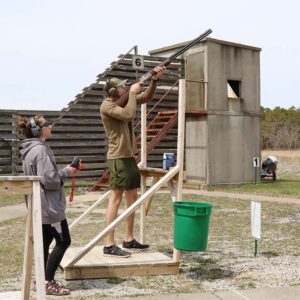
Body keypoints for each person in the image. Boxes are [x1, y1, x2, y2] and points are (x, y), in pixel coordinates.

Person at [100, 66, 166, 257]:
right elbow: (128, 114)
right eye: (122, 87)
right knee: (116, 199)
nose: (125, 88)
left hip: (128, 157)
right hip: (118, 157)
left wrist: (154, 80)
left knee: (131, 199)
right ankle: (108, 243)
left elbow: (146, 98)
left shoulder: (124, 100)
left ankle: (128, 239)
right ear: (114, 92)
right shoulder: (107, 105)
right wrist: (133, 93)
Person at [17, 115, 79, 296]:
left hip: (40, 206)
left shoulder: (30, 149)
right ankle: (47, 281)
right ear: (38, 130)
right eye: (47, 124)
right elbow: (50, 180)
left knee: (45, 242)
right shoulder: (41, 151)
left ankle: (42, 279)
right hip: (49, 207)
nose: (50, 126)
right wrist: (67, 171)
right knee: (63, 241)